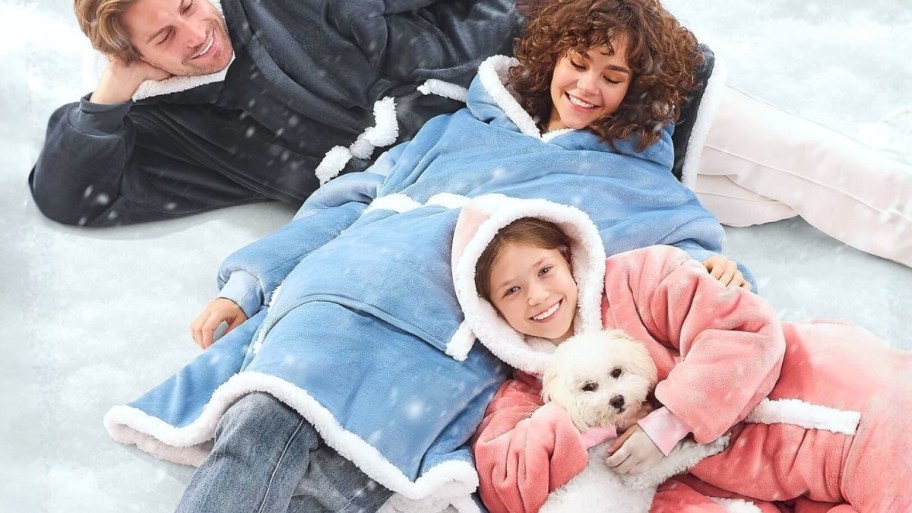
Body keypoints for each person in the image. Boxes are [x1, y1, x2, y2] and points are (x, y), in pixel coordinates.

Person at [103, 1, 751, 511]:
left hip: (440, 339)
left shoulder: (636, 184)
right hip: (336, 294)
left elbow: (681, 266)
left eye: (614, 78)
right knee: (262, 423)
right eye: (578, 63)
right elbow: (346, 202)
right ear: (553, 55)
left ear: (639, 93)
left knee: (343, 482)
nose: (586, 86)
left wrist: (723, 273)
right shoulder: (458, 126)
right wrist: (247, 283)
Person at [29, 0, 912, 270]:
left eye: (187, 4)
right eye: (163, 38)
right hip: (519, 178)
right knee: (757, 201)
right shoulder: (185, 125)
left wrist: (579, 45)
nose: (196, 33)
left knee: (814, 169)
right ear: (136, 58)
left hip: (558, 85)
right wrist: (112, 94)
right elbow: (69, 193)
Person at [452, 195, 912, 513]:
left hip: (842, 400)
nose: (536, 296)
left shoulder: (642, 276)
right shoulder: (527, 392)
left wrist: (669, 421)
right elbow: (505, 486)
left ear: (567, 256)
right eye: (512, 290)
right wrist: (577, 417)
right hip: (796, 481)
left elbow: (745, 330)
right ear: (489, 309)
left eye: (545, 270)